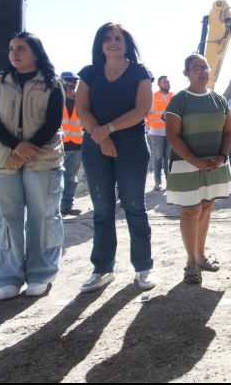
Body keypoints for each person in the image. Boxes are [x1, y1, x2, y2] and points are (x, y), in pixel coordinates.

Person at [0, 32, 65, 300]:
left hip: (42, 160)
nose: (15, 54)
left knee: (43, 217)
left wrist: (27, 150)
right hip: (3, 161)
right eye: (11, 49)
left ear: (35, 52)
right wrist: (16, 147)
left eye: (21, 48)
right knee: (8, 219)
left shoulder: (52, 84)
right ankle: (9, 277)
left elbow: (52, 122)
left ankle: (41, 273)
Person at [76, 22, 157, 293]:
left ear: (127, 44)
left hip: (131, 145)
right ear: (100, 44)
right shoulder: (88, 73)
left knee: (134, 207)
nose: (113, 42)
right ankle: (102, 269)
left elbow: (142, 109)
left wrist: (108, 130)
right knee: (102, 210)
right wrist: (101, 136)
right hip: (95, 146)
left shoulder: (139, 72)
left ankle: (143, 268)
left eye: (119, 38)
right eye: (108, 38)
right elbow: (82, 109)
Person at [164, 54, 231, 284]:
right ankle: (191, 262)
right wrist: (195, 160)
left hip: (214, 164)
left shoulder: (219, 100)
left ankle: (201, 255)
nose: (202, 72)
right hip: (186, 164)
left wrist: (222, 157)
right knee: (190, 211)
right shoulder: (179, 100)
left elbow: (229, 132)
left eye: (205, 67)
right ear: (186, 73)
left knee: (206, 207)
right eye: (196, 68)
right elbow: (172, 135)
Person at [60, 71, 84, 216]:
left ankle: (66, 205)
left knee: (71, 178)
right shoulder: (55, 99)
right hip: (59, 146)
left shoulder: (80, 101)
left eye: (74, 82)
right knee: (56, 178)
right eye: (69, 81)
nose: (72, 84)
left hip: (76, 145)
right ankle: (55, 208)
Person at [146, 75, 173, 191]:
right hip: (156, 132)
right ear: (159, 84)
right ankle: (158, 182)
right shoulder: (153, 97)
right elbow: (146, 114)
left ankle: (169, 180)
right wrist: (148, 127)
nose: (167, 83)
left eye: (167, 81)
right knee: (158, 157)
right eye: (164, 82)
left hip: (170, 131)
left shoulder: (173, 96)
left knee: (168, 156)